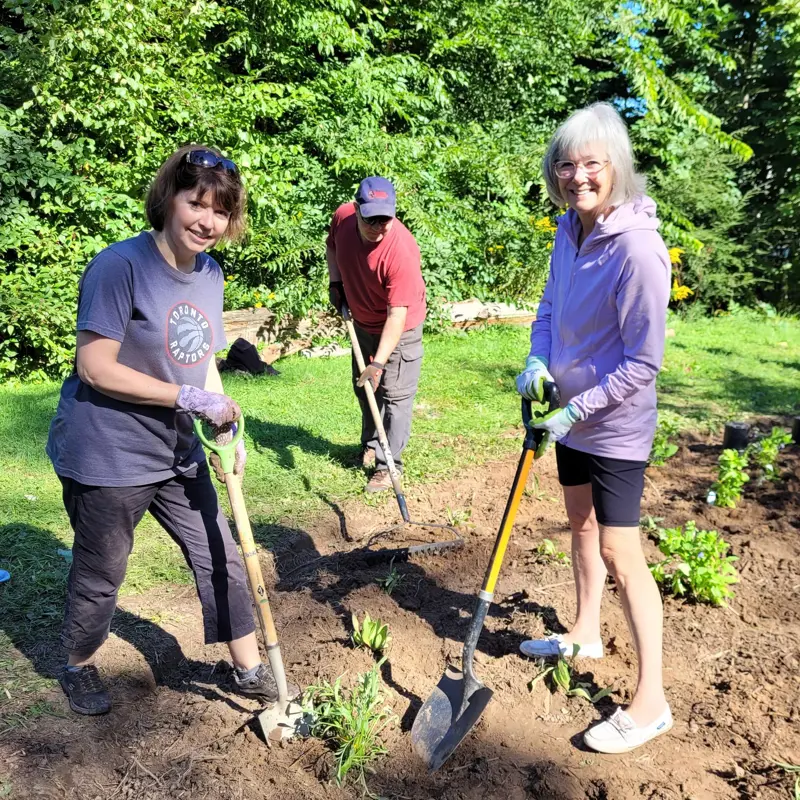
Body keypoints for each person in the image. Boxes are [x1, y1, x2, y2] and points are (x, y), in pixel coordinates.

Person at [46, 145, 279, 715]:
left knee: (219, 552)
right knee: (103, 569)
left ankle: (249, 666)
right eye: (196, 203)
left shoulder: (210, 273)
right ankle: (76, 664)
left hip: (177, 447)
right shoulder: (119, 267)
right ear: (168, 199)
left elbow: (201, 362)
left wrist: (227, 426)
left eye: (221, 212)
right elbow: (95, 367)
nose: (208, 221)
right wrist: (186, 397)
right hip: (108, 448)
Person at [516, 103, 671, 753]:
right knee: (577, 526)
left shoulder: (637, 248)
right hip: (570, 419)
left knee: (620, 552)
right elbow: (551, 306)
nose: (578, 175)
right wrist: (536, 359)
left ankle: (651, 699)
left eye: (591, 163)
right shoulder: (568, 230)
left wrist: (577, 409)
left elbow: (644, 361)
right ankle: (583, 630)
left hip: (613, 427)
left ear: (615, 166)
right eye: (566, 164)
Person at [326, 177, 427, 493]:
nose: (380, 227)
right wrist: (336, 283)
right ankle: (371, 443)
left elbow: (398, 315)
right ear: (356, 210)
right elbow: (332, 247)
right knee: (364, 389)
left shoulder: (401, 251)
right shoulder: (342, 218)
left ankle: (389, 465)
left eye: (386, 219)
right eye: (371, 220)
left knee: (394, 397)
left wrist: (379, 363)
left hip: (400, 328)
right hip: (362, 320)